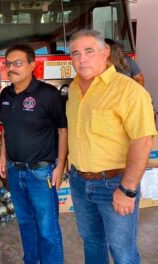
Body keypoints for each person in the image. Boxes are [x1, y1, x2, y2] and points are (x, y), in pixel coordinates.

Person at [67, 29, 156, 264]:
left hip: (114, 185)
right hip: (78, 181)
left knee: (122, 251)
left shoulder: (129, 91)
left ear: (105, 52)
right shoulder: (74, 89)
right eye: (75, 53)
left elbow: (143, 140)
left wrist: (127, 189)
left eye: (89, 51)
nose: (82, 58)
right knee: (92, 241)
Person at [0, 44, 67, 264]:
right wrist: (2, 155)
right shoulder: (5, 93)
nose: (11, 68)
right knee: (26, 223)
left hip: (41, 172)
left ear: (31, 65)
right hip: (15, 170)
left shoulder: (48, 94)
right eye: (8, 63)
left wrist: (60, 166)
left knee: (47, 227)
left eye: (18, 63)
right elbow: (6, 128)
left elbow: (62, 130)